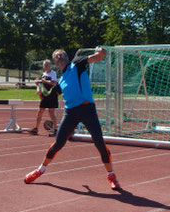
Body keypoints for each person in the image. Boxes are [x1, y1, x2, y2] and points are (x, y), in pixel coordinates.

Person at [24, 46, 121, 190]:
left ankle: (111, 175)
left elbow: (98, 57)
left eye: (62, 56)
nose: (60, 58)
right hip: (70, 113)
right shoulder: (61, 81)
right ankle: (40, 170)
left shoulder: (77, 64)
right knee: (58, 143)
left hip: (87, 110)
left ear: (67, 58)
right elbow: (49, 95)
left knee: (99, 142)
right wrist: (39, 88)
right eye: (57, 57)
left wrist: (102, 52)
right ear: (56, 63)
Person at [30, 60, 59, 136]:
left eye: (47, 65)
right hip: (44, 96)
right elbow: (37, 82)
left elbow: (53, 83)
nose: (46, 67)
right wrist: (38, 88)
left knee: (51, 113)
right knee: (40, 112)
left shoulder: (53, 73)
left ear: (50, 66)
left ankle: (56, 130)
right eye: (44, 65)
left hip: (52, 95)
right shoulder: (42, 74)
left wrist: (44, 81)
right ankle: (36, 128)